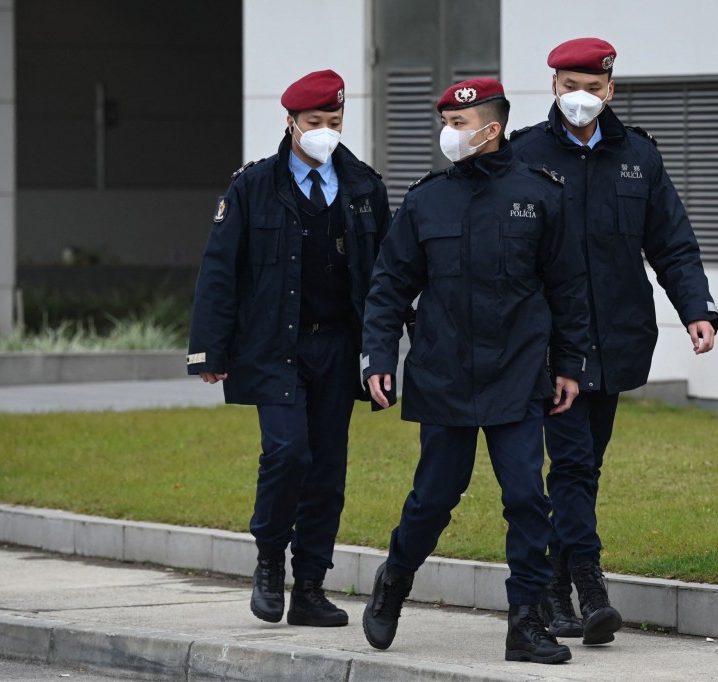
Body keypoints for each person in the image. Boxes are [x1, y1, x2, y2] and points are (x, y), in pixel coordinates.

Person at [360, 78, 591, 665]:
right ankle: (394, 580)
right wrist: (379, 358)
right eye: (445, 121)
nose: (448, 132)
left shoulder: (540, 194)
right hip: (443, 375)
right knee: (435, 497)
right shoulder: (425, 200)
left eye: (458, 123)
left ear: (491, 128)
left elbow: (567, 289)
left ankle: (526, 623)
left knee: (525, 497)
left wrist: (568, 365)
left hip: (517, 374)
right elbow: (389, 287)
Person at [510, 37, 718, 645]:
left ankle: (552, 587)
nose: (581, 97)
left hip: (617, 338)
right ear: (553, 86)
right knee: (573, 461)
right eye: (569, 85)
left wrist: (696, 309)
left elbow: (672, 243)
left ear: (611, 88)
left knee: (586, 465)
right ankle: (589, 586)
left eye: (593, 87)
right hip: (552, 346)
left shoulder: (639, 156)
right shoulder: (523, 154)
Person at [186, 69, 390, 628]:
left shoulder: (365, 187)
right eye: (314, 123)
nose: (326, 132)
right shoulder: (252, 187)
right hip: (275, 347)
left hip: (337, 349)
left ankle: (310, 588)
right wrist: (211, 350)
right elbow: (220, 270)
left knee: (326, 468)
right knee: (287, 453)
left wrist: (381, 355)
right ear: (291, 123)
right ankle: (269, 563)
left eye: (335, 122)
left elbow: (383, 280)